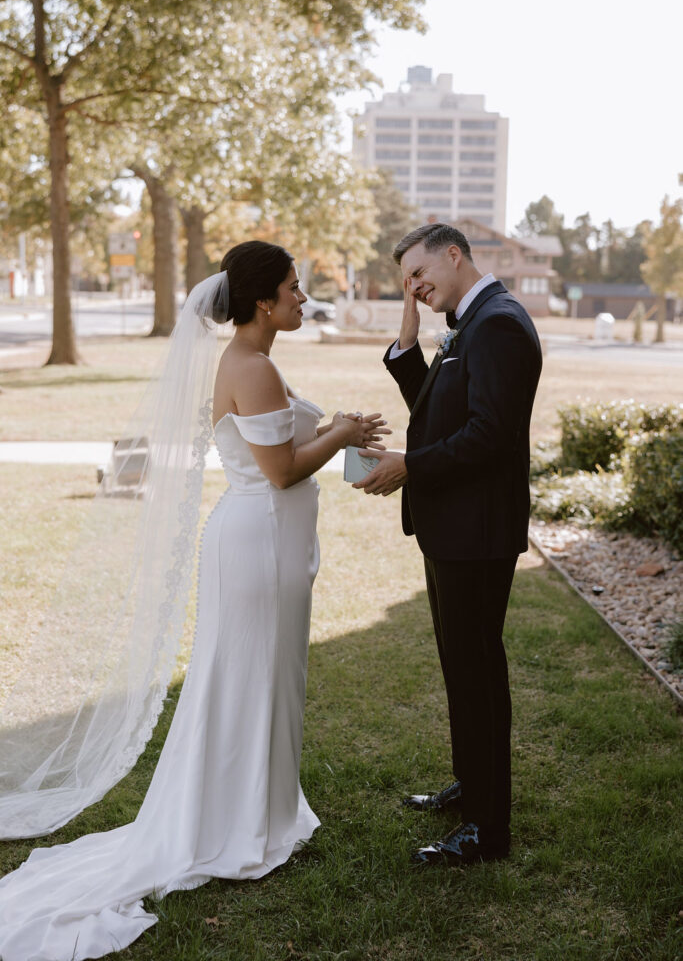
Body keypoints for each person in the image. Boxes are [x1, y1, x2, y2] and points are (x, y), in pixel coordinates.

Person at [0, 240, 388, 960]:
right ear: (263, 302)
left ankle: (259, 812)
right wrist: (337, 433)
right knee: (249, 683)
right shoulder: (254, 365)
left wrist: (335, 429)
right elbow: (278, 472)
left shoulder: (252, 363)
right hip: (258, 542)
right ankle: (239, 826)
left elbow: (279, 447)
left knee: (261, 683)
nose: (304, 300)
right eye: (294, 289)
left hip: (260, 543)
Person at [353, 223, 542, 867]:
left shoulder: (498, 325)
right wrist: (407, 342)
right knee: (462, 671)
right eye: (407, 279)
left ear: (454, 254)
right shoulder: (469, 320)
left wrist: (410, 466)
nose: (415, 285)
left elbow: (488, 434)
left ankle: (489, 832)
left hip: (477, 532)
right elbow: (437, 411)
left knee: (478, 676)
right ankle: (472, 788)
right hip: (454, 528)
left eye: (420, 272)